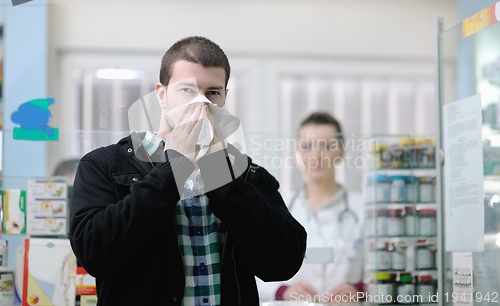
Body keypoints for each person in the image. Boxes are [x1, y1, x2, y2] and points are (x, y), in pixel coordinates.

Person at [68, 36, 307, 306]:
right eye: (187, 91)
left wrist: (221, 176)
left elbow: (282, 263)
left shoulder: (248, 173)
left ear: (225, 98)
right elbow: (93, 253)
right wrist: (173, 170)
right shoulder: (105, 166)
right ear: (162, 95)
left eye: (213, 92)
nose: (200, 104)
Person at [257, 111, 365, 303]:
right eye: (306, 146)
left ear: (341, 152)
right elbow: (252, 268)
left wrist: (360, 289)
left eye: (326, 146)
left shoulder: (363, 210)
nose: (316, 155)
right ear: (297, 154)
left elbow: (386, 269)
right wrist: (282, 290)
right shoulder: (276, 208)